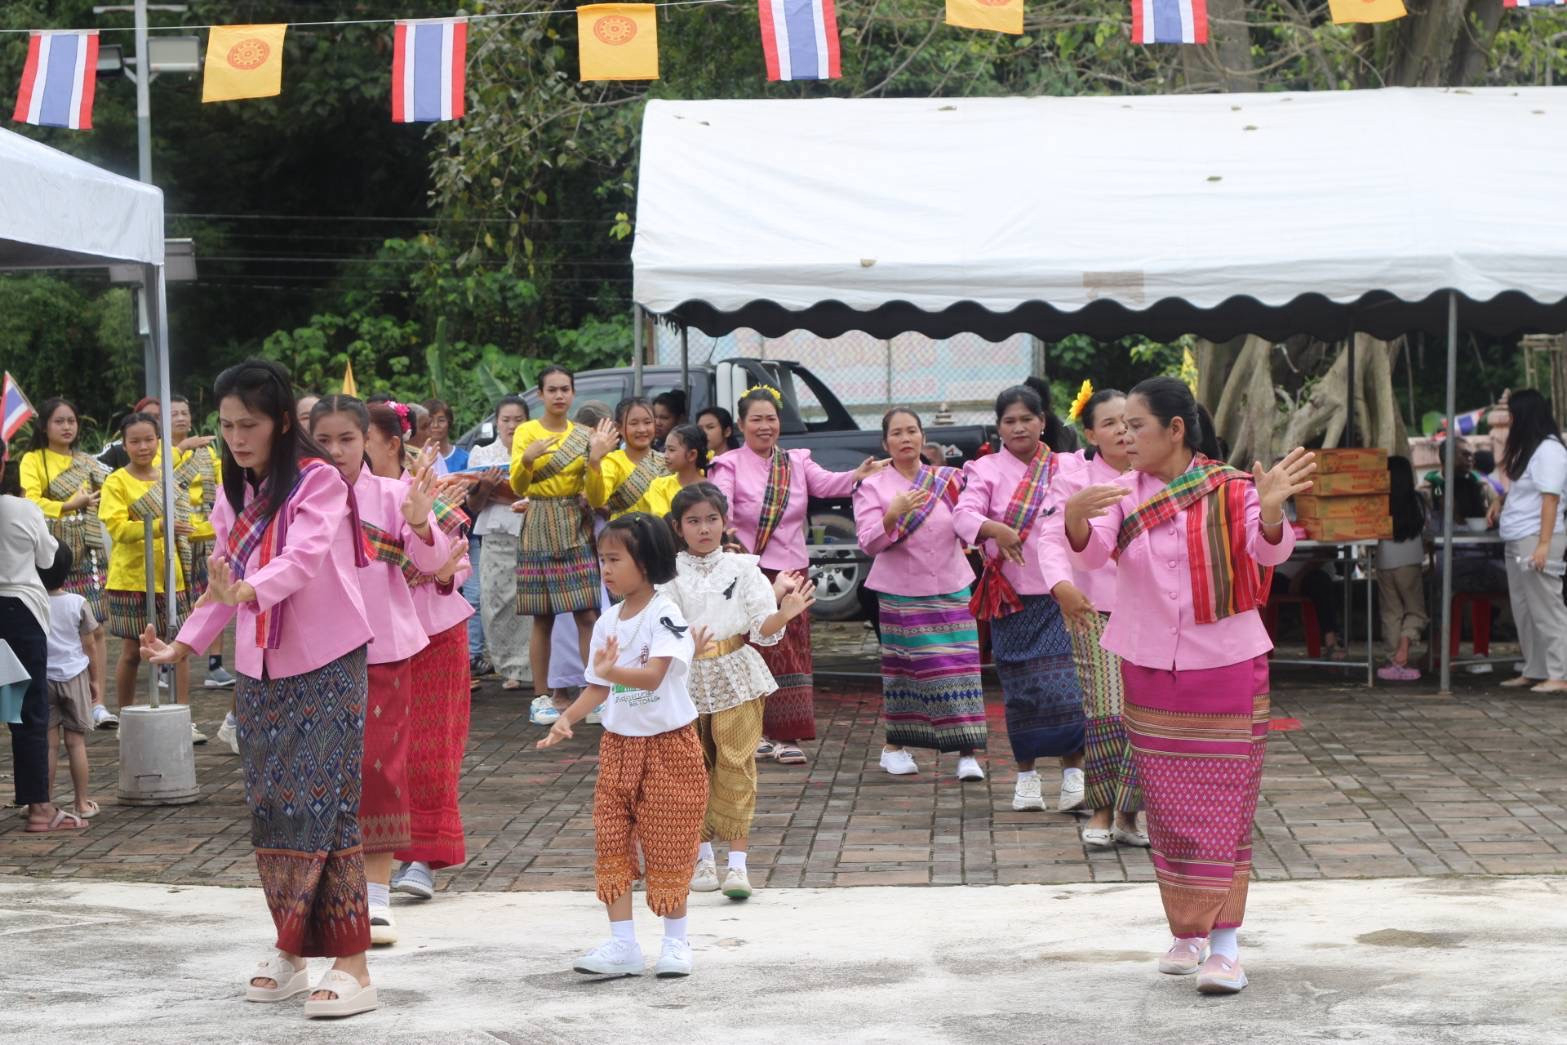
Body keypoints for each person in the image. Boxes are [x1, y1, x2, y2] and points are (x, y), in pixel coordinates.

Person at [142, 360, 380, 1018]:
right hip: (258, 669)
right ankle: (291, 947)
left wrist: (246, 589)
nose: (236, 437)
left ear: (278, 421)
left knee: (325, 805)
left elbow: (301, 560)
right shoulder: (235, 489)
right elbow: (221, 580)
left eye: (248, 424)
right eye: (226, 426)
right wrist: (183, 644)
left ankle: (354, 964)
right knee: (273, 808)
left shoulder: (318, 480)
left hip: (325, 660)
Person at [1064, 376, 1314, 995]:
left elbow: (1268, 553)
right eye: (1120, 426)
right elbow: (1091, 557)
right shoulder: (1120, 493)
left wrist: (1273, 509)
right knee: (1170, 808)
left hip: (1227, 665)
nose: (1125, 437)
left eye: (1137, 425)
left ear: (1175, 430)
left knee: (1224, 808)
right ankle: (1187, 928)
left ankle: (1225, 947)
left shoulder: (1233, 487)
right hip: (1149, 665)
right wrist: (1074, 518)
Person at [537, 513, 709, 979]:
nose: (606, 569)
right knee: (611, 838)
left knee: (669, 841)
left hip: (669, 747)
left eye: (615, 559)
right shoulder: (608, 621)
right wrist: (566, 719)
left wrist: (613, 673)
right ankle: (622, 944)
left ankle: (676, 942)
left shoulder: (665, 615)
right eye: (602, 560)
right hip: (618, 747)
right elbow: (597, 686)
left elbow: (652, 676)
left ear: (645, 562)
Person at [311, 396, 449, 947]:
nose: (337, 451)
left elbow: (434, 563)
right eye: (324, 440)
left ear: (367, 439)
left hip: (383, 650)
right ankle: (325, 888)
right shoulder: (297, 498)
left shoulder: (395, 495)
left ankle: (377, 894)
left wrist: (419, 521)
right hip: (313, 652)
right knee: (320, 770)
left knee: (380, 769)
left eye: (348, 439)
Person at [707, 385, 887, 765]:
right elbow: (719, 509)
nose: (764, 426)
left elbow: (828, 484)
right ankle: (752, 731)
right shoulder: (728, 465)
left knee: (791, 651)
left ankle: (787, 734)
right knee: (750, 649)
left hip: (792, 570)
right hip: (750, 571)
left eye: (771, 419)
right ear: (740, 424)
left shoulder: (797, 461)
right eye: (756, 419)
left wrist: (858, 474)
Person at [666, 483, 814, 900]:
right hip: (686, 675)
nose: (704, 528)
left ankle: (737, 865)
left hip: (736, 674)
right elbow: (664, 624)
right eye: (693, 521)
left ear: (725, 521)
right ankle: (702, 858)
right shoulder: (667, 573)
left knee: (736, 761)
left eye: (711, 519)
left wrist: (783, 613)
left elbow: (762, 626)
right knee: (692, 767)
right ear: (678, 527)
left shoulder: (744, 568)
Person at [953, 385, 1091, 814]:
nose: (1018, 427)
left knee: (1068, 689)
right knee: (1021, 692)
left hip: (1059, 594)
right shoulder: (984, 470)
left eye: (1026, 419)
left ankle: (1073, 776)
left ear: (1042, 422)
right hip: (1010, 599)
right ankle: (1026, 778)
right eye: (1009, 421)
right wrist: (994, 529)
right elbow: (963, 515)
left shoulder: (1068, 465)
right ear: (999, 427)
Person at [853, 407, 987, 782]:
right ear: (885, 443)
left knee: (961, 670)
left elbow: (969, 521)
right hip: (900, 594)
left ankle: (967, 753)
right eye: (896, 433)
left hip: (952, 587)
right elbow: (868, 542)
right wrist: (891, 515)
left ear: (923, 437)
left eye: (912, 431)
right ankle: (895, 748)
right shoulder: (872, 486)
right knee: (906, 674)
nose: (905, 438)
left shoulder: (949, 480)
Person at [1055, 388, 1147, 848]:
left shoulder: (1159, 475)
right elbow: (1051, 538)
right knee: (1108, 711)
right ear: (1090, 434)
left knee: (1147, 713)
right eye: (1109, 423)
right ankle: (1102, 810)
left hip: (1154, 612)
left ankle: (1129, 813)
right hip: (1095, 609)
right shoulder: (1074, 479)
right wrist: (1062, 586)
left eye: (1129, 421)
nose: (1122, 431)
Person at [392, 426, 475, 903]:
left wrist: (441, 573)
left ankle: (421, 856)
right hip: (370, 636)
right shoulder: (340, 500)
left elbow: (457, 566)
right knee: (374, 750)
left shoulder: (431, 499)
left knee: (431, 748)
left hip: (435, 632)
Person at [97, 412, 197, 738]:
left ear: (159, 441)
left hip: (171, 576)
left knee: (180, 647)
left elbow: (187, 524)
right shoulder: (116, 482)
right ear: (124, 445)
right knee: (131, 652)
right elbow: (118, 529)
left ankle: (183, 717)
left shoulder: (170, 478)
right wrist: (159, 526)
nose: (143, 447)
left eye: (149, 440)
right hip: (131, 579)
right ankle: (126, 719)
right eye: (135, 441)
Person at [510, 366, 600, 726]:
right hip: (538, 521)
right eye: (552, 390)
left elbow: (595, 493)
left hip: (574, 520)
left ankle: (594, 694)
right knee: (542, 615)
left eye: (565, 389)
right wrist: (527, 459)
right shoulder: (526, 432)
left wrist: (596, 461)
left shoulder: (584, 435)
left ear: (573, 393)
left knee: (587, 613)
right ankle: (540, 697)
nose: (559, 395)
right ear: (541, 394)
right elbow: (518, 487)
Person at [18, 397, 115, 728]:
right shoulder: (33, 459)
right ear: (45, 426)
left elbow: (112, 491)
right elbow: (30, 501)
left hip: (88, 550)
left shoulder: (87, 462)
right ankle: (52, 694)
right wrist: (69, 505)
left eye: (71, 420)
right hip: (51, 553)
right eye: (59, 421)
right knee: (52, 625)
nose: (66, 427)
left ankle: (97, 701)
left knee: (95, 627)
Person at [2, 446, 81, 833]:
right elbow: (49, 560)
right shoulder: (22, 509)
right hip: (18, 611)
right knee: (25, 710)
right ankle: (39, 809)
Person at [1490, 389, 1567, 692]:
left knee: (1547, 608)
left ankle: (1560, 673)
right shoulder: (1531, 449)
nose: (1509, 420)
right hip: (1519, 537)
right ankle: (1536, 669)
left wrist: (1544, 545)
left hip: (1537, 537)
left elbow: (1550, 499)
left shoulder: (1550, 451)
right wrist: (1500, 500)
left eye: (1512, 414)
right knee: (1525, 610)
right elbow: (1527, 491)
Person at [168, 395, 237, 692]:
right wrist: (180, 449)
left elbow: (224, 485)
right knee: (178, 601)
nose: (181, 418)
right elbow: (157, 481)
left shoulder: (207, 452)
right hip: (175, 535)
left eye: (184, 412)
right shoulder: (158, 453)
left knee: (214, 593)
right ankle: (171, 659)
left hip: (208, 532)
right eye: (174, 413)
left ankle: (215, 664)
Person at [467, 395, 531, 691]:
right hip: (494, 535)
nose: (512, 425)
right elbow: (474, 505)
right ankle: (507, 667)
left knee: (527, 602)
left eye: (518, 419)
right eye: (506, 420)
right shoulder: (482, 455)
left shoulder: (534, 453)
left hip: (528, 533)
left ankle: (530, 668)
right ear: (496, 422)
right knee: (495, 602)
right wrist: (487, 487)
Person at [41, 544, 103, 820]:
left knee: (48, 744)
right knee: (76, 743)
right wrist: (95, 680)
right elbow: (90, 645)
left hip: (43, 677)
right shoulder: (78, 603)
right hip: (75, 675)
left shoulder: (33, 602)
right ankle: (81, 802)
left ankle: (43, 802)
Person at [1376, 456, 1430, 682]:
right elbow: (1428, 529)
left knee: (1391, 613)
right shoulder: (1417, 501)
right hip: (1410, 561)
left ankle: (1393, 661)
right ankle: (1404, 648)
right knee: (1416, 610)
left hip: (1384, 560)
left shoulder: (1379, 502)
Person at [586, 397, 668, 519]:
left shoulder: (666, 461)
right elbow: (596, 500)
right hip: (625, 530)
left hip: (662, 530)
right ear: (618, 427)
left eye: (647, 422)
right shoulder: (612, 462)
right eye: (634, 423)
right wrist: (594, 460)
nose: (642, 429)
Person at [423, 399, 468, 473]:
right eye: (430, 421)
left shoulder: (464, 458)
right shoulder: (416, 457)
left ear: (449, 423)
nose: (435, 425)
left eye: (441, 420)